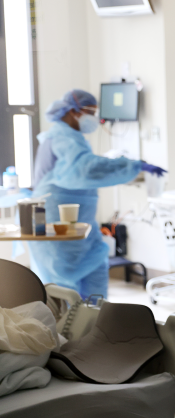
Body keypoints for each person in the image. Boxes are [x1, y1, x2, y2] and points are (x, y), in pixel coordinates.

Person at [29, 89, 166, 300]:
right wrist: (132, 166)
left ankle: (94, 327)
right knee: (62, 288)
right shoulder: (61, 137)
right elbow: (86, 170)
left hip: (80, 224)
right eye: (90, 112)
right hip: (54, 224)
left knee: (96, 271)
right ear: (73, 111)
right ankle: (65, 332)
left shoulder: (74, 137)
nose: (94, 118)